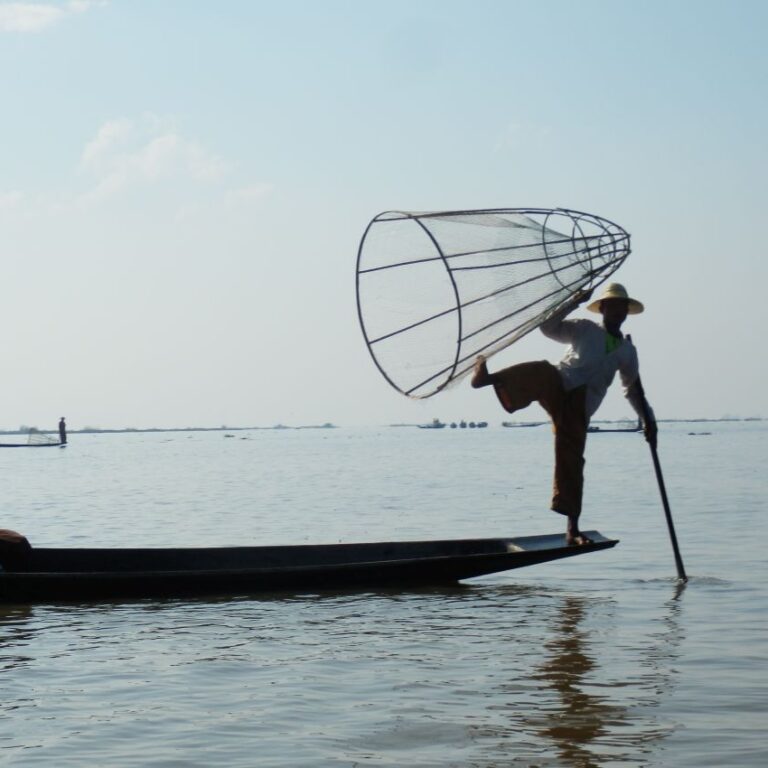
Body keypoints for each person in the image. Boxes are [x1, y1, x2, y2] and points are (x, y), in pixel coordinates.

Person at [471, 282, 657, 546]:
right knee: (541, 369)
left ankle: (573, 529)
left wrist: (649, 420)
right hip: (559, 383)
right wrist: (573, 301)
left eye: (621, 308)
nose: (617, 312)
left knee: (572, 461)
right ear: (602, 309)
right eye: (612, 306)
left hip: (581, 406)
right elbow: (548, 327)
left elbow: (632, 390)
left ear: (626, 312)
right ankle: (487, 379)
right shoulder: (585, 328)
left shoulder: (627, 351)